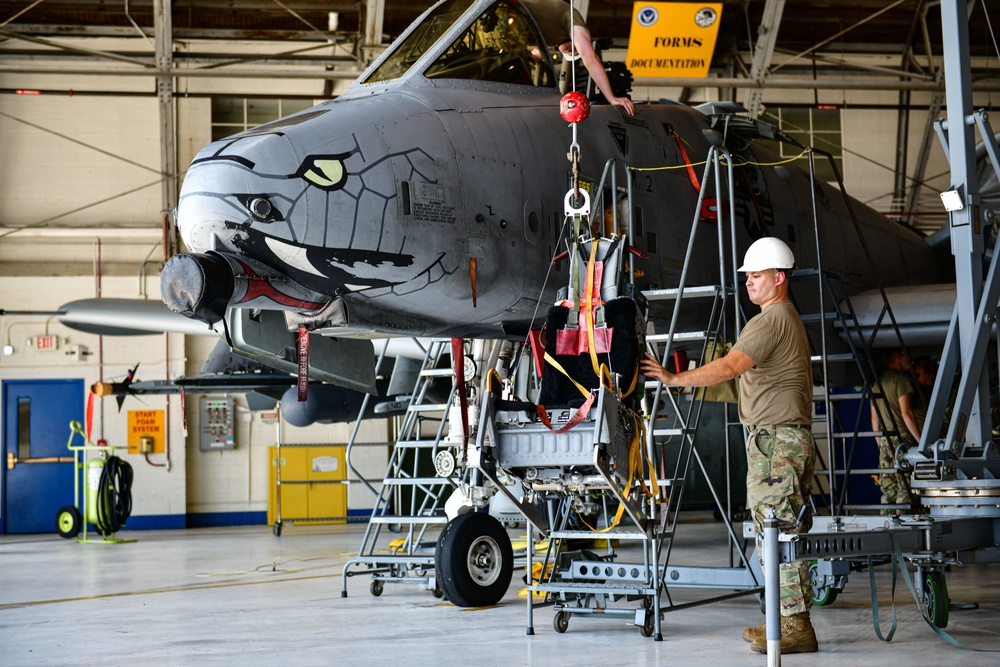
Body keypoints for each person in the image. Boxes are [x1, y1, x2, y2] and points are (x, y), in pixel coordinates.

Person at [639, 237, 818, 654]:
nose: (749, 283)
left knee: (777, 530)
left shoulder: (770, 320)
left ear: (779, 278)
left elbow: (729, 367)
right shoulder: (783, 319)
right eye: (748, 277)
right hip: (783, 438)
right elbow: (747, 383)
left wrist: (673, 378)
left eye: (756, 276)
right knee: (782, 529)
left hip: (776, 441)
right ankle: (787, 621)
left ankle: (793, 627)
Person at [521, 0, 635, 115]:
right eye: (577, 50)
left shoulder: (545, 39)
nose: (572, 53)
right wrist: (612, 98)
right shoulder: (571, 16)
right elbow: (590, 58)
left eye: (574, 55)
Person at [869, 348, 916, 515]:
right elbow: (907, 414)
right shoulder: (901, 380)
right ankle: (902, 525)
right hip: (902, 439)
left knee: (889, 488)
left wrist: (881, 444)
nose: (909, 361)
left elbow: (874, 423)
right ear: (897, 357)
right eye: (906, 357)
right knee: (906, 486)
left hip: (884, 440)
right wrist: (921, 442)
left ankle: (885, 523)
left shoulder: (876, 383)